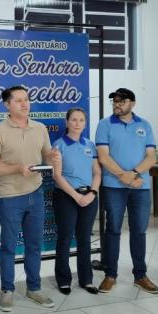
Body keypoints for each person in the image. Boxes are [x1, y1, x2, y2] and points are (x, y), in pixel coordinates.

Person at [0, 85, 60, 311]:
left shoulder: (40, 128)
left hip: (35, 194)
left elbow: (46, 154)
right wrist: (18, 168)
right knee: (8, 246)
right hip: (10, 196)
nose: (25, 104)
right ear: (7, 105)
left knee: (34, 246)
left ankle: (34, 288)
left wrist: (53, 156)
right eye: (18, 100)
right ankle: (7, 290)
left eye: (26, 99)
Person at [95, 88, 158, 294]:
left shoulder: (144, 125)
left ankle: (140, 275)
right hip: (114, 187)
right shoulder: (104, 125)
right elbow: (103, 157)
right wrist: (123, 177)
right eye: (114, 101)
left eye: (122, 102)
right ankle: (110, 275)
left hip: (140, 187)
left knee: (139, 231)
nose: (117, 105)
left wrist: (132, 174)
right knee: (113, 229)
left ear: (132, 103)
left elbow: (151, 157)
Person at [51, 108, 102, 295]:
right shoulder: (58, 145)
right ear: (67, 122)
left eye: (81, 120)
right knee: (64, 239)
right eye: (74, 119)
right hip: (66, 197)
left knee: (84, 239)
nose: (78, 123)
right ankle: (64, 280)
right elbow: (57, 175)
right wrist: (76, 196)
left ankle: (86, 280)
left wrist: (93, 192)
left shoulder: (91, 145)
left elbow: (97, 172)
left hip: (89, 197)